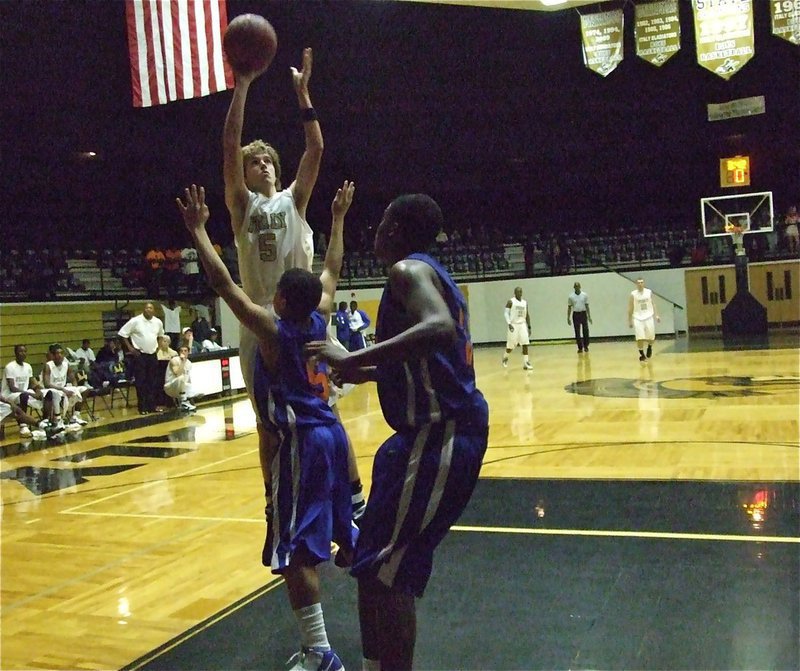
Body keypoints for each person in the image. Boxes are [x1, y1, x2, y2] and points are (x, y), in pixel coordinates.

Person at [178, 181, 356, 671]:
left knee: (292, 551)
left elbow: (224, 285)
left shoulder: (275, 332)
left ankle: (319, 651)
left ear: (278, 300)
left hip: (302, 443)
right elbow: (333, 268)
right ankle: (372, 585)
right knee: (345, 531)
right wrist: (338, 220)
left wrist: (198, 232)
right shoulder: (321, 314)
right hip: (334, 436)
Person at [307, 193, 489, 671]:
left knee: (390, 575)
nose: (376, 230)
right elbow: (429, 360)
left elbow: (440, 329)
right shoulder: (425, 273)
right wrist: (369, 373)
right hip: (417, 437)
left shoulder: (407, 272)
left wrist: (355, 358)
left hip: (441, 434)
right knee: (370, 566)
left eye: (384, 220)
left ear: (396, 230)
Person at [222, 47, 365, 553]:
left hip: (304, 321)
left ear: (276, 169)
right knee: (267, 424)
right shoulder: (242, 207)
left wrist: (303, 95)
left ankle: (351, 498)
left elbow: (317, 150)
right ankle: (271, 497)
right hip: (259, 322)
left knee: (326, 410)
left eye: (264, 159)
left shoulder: (293, 200)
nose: (258, 163)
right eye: (251, 162)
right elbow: (229, 145)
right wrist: (241, 87)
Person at [118, 302, 165, 414]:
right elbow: (122, 334)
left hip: (152, 354)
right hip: (140, 355)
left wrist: (158, 348)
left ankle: (152, 406)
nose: (149, 310)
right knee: (141, 381)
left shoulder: (158, 322)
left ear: (154, 310)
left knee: (152, 381)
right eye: (147, 308)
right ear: (143, 310)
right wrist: (131, 348)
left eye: (151, 308)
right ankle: (142, 407)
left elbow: (161, 335)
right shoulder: (135, 321)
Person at [1, 344, 45, 439]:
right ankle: (23, 426)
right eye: (20, 351)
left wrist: (38, 390)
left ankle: (48, 420)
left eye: (25, 351)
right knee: (23, 396)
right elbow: (12, 388)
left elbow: (32, 383)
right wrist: (31, 394)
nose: (23, 353)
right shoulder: (10, 367)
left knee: (46, 394)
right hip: (9, 395)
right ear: (16, 353)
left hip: (23, 393)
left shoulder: (28, 366)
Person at [42, 343, 90, 429]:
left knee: (84, 389)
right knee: (55, 393)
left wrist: (75, 389)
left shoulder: (66, 364)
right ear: (53, 355)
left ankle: (75, 417)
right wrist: (63, 389)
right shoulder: (48, 366)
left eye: (61, 353)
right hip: (49, 391)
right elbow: (47, 384)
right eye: (57, 353)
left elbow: (73, 379)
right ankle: (58, 419)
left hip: (63, 389)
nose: (60, 355)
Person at [628, 277, 660, 362]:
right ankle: (642, 354)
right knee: (640, 337)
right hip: (638, 317)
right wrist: (629, 320)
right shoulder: (633, 294)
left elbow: (653, 304)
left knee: (651, 337)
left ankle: (649, 347)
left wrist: (656, 315)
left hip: (648, 316)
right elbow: (630, 307)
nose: (640, 284)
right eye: (638, 283)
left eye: (642, 282)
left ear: (644, 283)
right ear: (636, 284)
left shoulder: (648, 292)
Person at [502, 286, 533, 370]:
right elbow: (506, 313)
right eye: (518, 292)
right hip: (513, 324)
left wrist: (529, 326)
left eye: (521, 292)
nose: (520, 293)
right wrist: (509, 323)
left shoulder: (524, 302)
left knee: (525, 342)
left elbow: (527, 315)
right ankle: (505, 357)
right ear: (515, 293)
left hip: (522, 324)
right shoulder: (511, 302)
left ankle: (526, 362)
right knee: (511, 345)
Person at [163, 345, 197, 412]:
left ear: (188, 352)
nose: (183, 352)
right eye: (181, 351)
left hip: (181, 388)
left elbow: (188, 378)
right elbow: (178, 374)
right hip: (170, 386)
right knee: (181, 378)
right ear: (179, 352)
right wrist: (183, 362)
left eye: (185, 351)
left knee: (194, 388)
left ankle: (186, 401)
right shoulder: (174, 360)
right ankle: (184, 401)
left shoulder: (189, 363)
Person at [567, 281, 592, 354]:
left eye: (578, 286)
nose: (577, 288)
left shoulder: (584, 295)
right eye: (575, 287)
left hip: (583, 313)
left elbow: (587, 306)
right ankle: (580, 347)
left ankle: (586, 346)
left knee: (585, 330)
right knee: (577, 332)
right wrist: (568, 318)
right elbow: (569, 307)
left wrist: (589, 316)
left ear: (580, 287)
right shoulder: (571, 296)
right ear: (574, 287)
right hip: (576, 314)